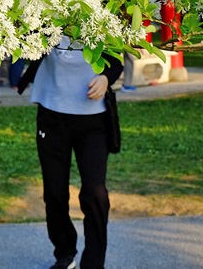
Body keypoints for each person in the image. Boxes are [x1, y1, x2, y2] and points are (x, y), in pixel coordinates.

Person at [17, 37, 123, 269]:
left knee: (95, 193)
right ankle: (64, 254)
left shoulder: (104, 11)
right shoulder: (46, 14)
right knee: (54, 192)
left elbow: (117, 57)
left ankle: (94, 262)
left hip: (93, 119)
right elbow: (23, 41)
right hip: (52, 114)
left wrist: (106, 78)